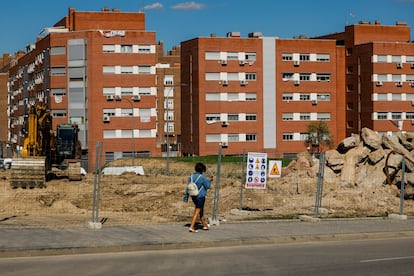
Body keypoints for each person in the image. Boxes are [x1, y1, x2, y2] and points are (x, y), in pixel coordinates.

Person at [183, 162, 212, 233]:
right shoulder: (202, 177)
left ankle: (205, 225)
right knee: (197, 211)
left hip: (193, 196)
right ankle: (192, 227)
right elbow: (208, 186)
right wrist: (210, 181)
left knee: (200, 211)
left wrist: (186, 197)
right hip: (201, 196)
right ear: (202, 170)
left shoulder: (191, 177)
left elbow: (188, 188)